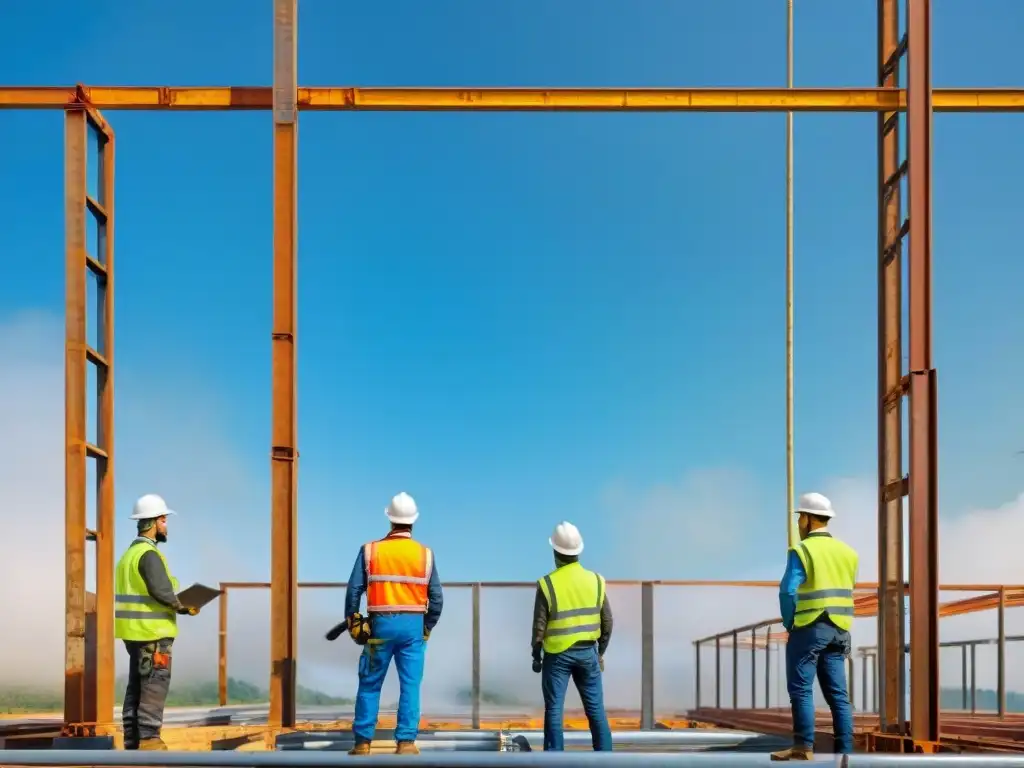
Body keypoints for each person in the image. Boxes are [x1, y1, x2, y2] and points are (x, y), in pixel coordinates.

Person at [343, 492, 443, 756]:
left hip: (380, 626)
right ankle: (406, 743)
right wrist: (426, 626)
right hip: (412, 628)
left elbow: (354, 590)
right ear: (413, 521)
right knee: (410, 684)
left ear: (390, 519)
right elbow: (437, 599)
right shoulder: (425, 554)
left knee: (370, 683)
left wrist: (353, 621)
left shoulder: (371, 550)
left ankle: (363, 742)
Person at [772, 492, 858, 760]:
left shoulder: (803, 550)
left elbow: (787, 591)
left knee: (801, 688)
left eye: (800, 517)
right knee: (838, 695)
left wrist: (791, 622)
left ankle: (803, 747)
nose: (799, 523)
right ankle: (845, 753)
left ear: (808, 519)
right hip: (840, 628)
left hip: (809, 626)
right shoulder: (848, 553)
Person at [114, 494, 198, 751]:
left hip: (134, 632)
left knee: (137, 685)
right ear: (152, 522)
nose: (165, 525)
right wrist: (184, 605)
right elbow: (161, 591)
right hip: (153, 633)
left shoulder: (128, 555)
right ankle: (149, 740)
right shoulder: (149, 554)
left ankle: (133, 739)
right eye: (163, 520)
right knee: (154, 683)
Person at [532, 521, 613, 752]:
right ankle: (606, 761)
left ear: (555, 551)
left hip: (557, 656)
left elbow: (539, 626)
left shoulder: (547, 584)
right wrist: (600, 652)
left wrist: (536, 655)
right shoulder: (596, 581)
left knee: (554, 711)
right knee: (596, 711)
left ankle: (555, 761)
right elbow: (607, 621)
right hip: (588, 653)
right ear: (579, 551)